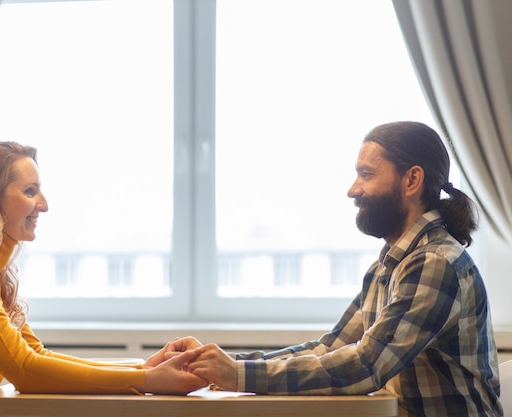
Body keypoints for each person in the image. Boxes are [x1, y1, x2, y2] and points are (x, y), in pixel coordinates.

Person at [147, 121, 503, 416]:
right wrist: (215, 363)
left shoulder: (435, 263)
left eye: (366, 175)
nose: (352, 190)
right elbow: (332, 347)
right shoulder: (391, 263)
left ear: (412, 180)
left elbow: (367, 365)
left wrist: (237, 374)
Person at [0, 141, 206, 417]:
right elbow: (26, 371)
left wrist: (145, 371)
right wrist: (150, 381)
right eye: (30, 191)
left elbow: (37, 357)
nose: (44, 204)